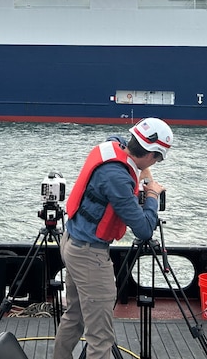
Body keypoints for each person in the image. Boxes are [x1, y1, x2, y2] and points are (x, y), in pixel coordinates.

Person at [53, 117, 172, 359]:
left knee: (74, 317)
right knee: (101, 336)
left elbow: (129, 149)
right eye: (157, 158)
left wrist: (145, 176)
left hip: (72, 242)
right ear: (152, 156)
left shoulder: (113, 145)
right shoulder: (118, 179)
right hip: (90, 257)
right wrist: (151, 195)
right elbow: (144, 229)